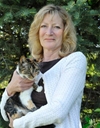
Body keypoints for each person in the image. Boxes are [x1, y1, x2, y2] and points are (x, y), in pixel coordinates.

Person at [0, 4, 87, 128]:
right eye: (44, 26)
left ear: (65, 32)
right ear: (38, 31)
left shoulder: (74, 60)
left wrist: (18, 123)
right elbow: (4, 114)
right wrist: (10, 89)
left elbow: (58, 110)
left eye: (56, 27)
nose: (49, 32)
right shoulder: (29, 66)